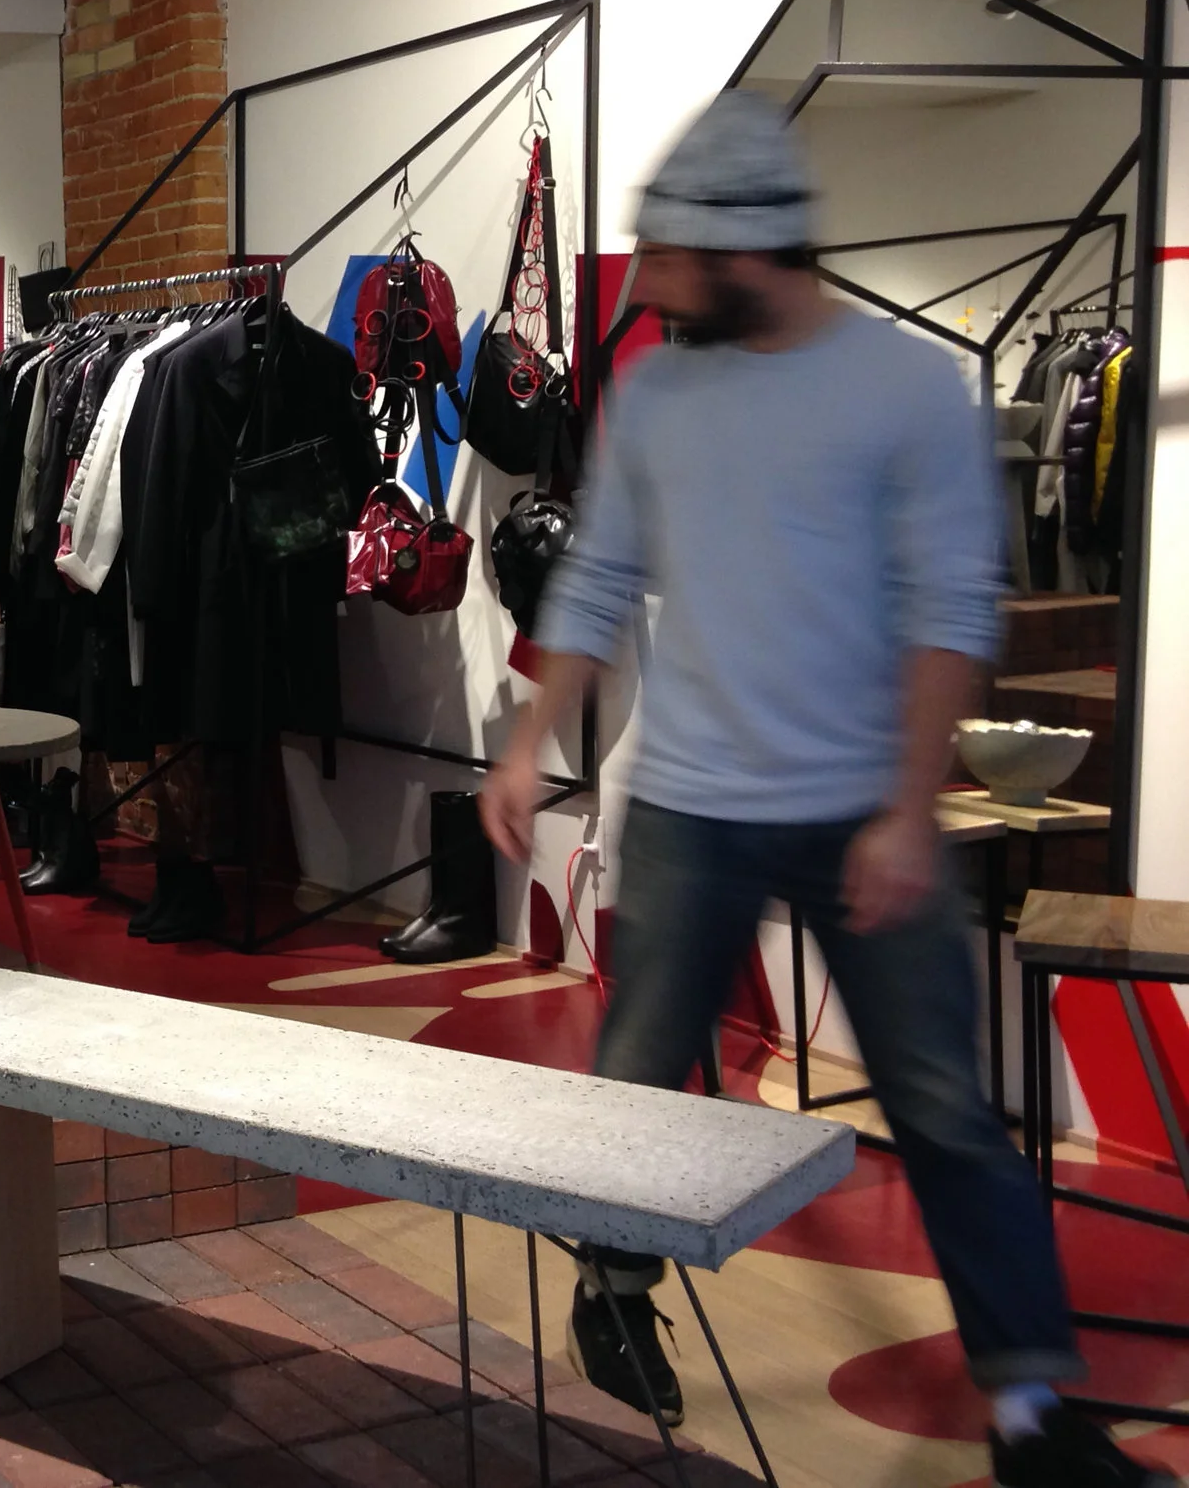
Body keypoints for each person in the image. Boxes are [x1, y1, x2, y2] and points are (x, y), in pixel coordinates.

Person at [480, 90, 1161, 1487]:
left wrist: (910, 807)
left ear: (748, 249)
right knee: (638, 1083)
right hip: (691, 803)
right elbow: (599, 576)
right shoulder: (662, 394)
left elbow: (950, 609)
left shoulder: (903, 389)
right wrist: (523, 736)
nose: (650, 282)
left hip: (860, 801)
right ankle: (614, 1290)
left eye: (671, 256)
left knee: (945, 1106)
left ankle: (1032, 1413)